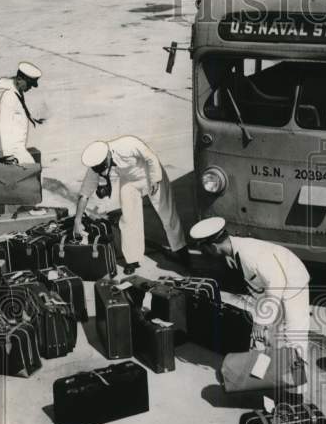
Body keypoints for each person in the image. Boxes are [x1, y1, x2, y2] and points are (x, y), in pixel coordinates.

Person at [189, 217, 312, 380]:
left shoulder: (248, 254)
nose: (205, 254)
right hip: (270, 288)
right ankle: (259, 378)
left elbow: (277, 282)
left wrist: (261, 322)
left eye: (205, 250)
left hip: (292, 283)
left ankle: (297, 396)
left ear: (213, 247)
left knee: (293, 338)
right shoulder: (231, 249)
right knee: (266, 337)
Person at [75, 137, 188, 275]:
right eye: (99, 170)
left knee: (166, 213)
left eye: (104, 167)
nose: (102, 172)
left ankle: (182, 252)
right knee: (128, 219)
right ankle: (132, 259)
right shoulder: (96, 162)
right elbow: (84, 194)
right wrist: (77, 220)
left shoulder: (127, 145)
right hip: (129, 181)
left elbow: (151, 157)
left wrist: (154, 179)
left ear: (108, 155)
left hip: (150, 174)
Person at [0, 61, 44, 165]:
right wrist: (8, 155)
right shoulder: (9, 97)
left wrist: (32, 118)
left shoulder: (17, 93)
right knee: (32, 171)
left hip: (18, 149)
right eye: (29, 84)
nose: (30, 88)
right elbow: (4, 125)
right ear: (19, 80)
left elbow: (19, 113)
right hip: (13, 152)